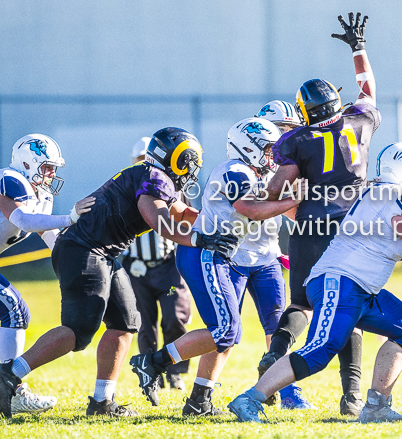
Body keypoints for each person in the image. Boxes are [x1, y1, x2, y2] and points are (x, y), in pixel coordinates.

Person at [227, 141, 402, 422]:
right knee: (319, 351)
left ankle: (377, 406)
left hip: (360, 287)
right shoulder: (396, 196)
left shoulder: (384, 194)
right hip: (340, 282)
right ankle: (249, 398)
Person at [0, 127, 237, 418]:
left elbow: (181, 213)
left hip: (100, 251)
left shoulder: (152, 176)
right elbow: (162, 222)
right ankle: (9, 374)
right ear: (178, 158)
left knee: (126, 323)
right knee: (79, 330)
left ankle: (102, 402)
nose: (191, 170)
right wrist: (199, 239)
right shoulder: (153, 178)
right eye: (189, 162)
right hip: (84, 248)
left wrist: (216, 223)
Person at [129, 118, 306, 416]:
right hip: (209, 255)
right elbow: (251, 209)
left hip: (225, 255)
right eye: (267, 149)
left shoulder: (258, 172)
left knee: (225, 331)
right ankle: (154, 363)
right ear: (248, 147)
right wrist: (293, 196)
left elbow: (287, 209)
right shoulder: (234, 171)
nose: (272, 156)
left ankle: (198, 398)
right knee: (225, 330)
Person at [257, 11, 379, 417]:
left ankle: (275, 353)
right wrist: (358, 49)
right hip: (352, 227)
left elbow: (277, 187)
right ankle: (352, 395)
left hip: (310, 226)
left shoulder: (296, 139)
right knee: (352, 307)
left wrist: (287, 194)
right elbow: (367, 90)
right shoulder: (360, 121)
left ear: (305, 110)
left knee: (301, 304)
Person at [0, 134, 93, 418]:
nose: (52, 174)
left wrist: (79, 266)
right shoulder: (10, 180)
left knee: (13, 311)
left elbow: (51, 238)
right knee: (13, 310)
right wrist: (70, 218)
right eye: (47, 167)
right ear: (29, 162)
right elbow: (23, 220)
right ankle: (9, 389)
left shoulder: (43, 195)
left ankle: (7, 387)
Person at [123, 137, 192, 391]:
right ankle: (151, 374)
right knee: (144, 324)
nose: (146, 167)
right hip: (136, 268)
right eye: (141, 161)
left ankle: (175, 371)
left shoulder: (174, 188)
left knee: (175, 317)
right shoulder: (127, 187)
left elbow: (189, 223)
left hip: (168, 267)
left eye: (149, 161)